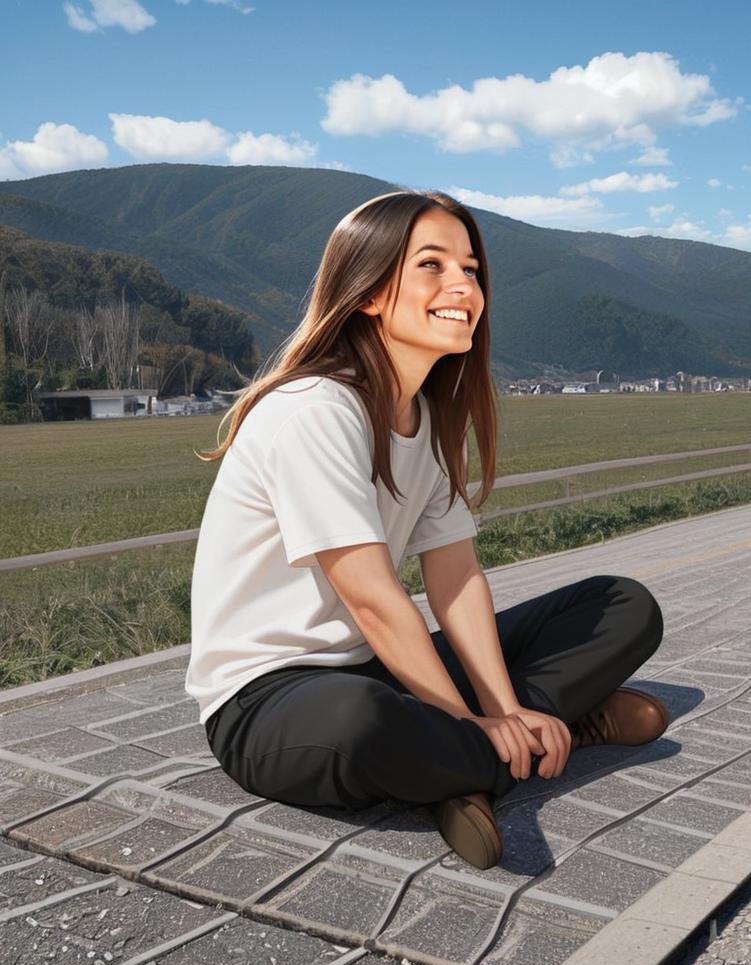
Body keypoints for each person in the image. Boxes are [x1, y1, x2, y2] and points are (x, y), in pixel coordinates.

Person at [186, 189, 668, 871]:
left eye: (471, 269)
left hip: (375, 667)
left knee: (623, 607)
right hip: (269, 700)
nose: (463, 286)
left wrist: (500, 708)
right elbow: (374, 599)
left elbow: (457, 576)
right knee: (365, 725)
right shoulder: (315, 410)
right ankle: (532, 741)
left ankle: (467, 766)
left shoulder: (427, 418)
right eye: (433, 266)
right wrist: (470, 719)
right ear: (370, 293)